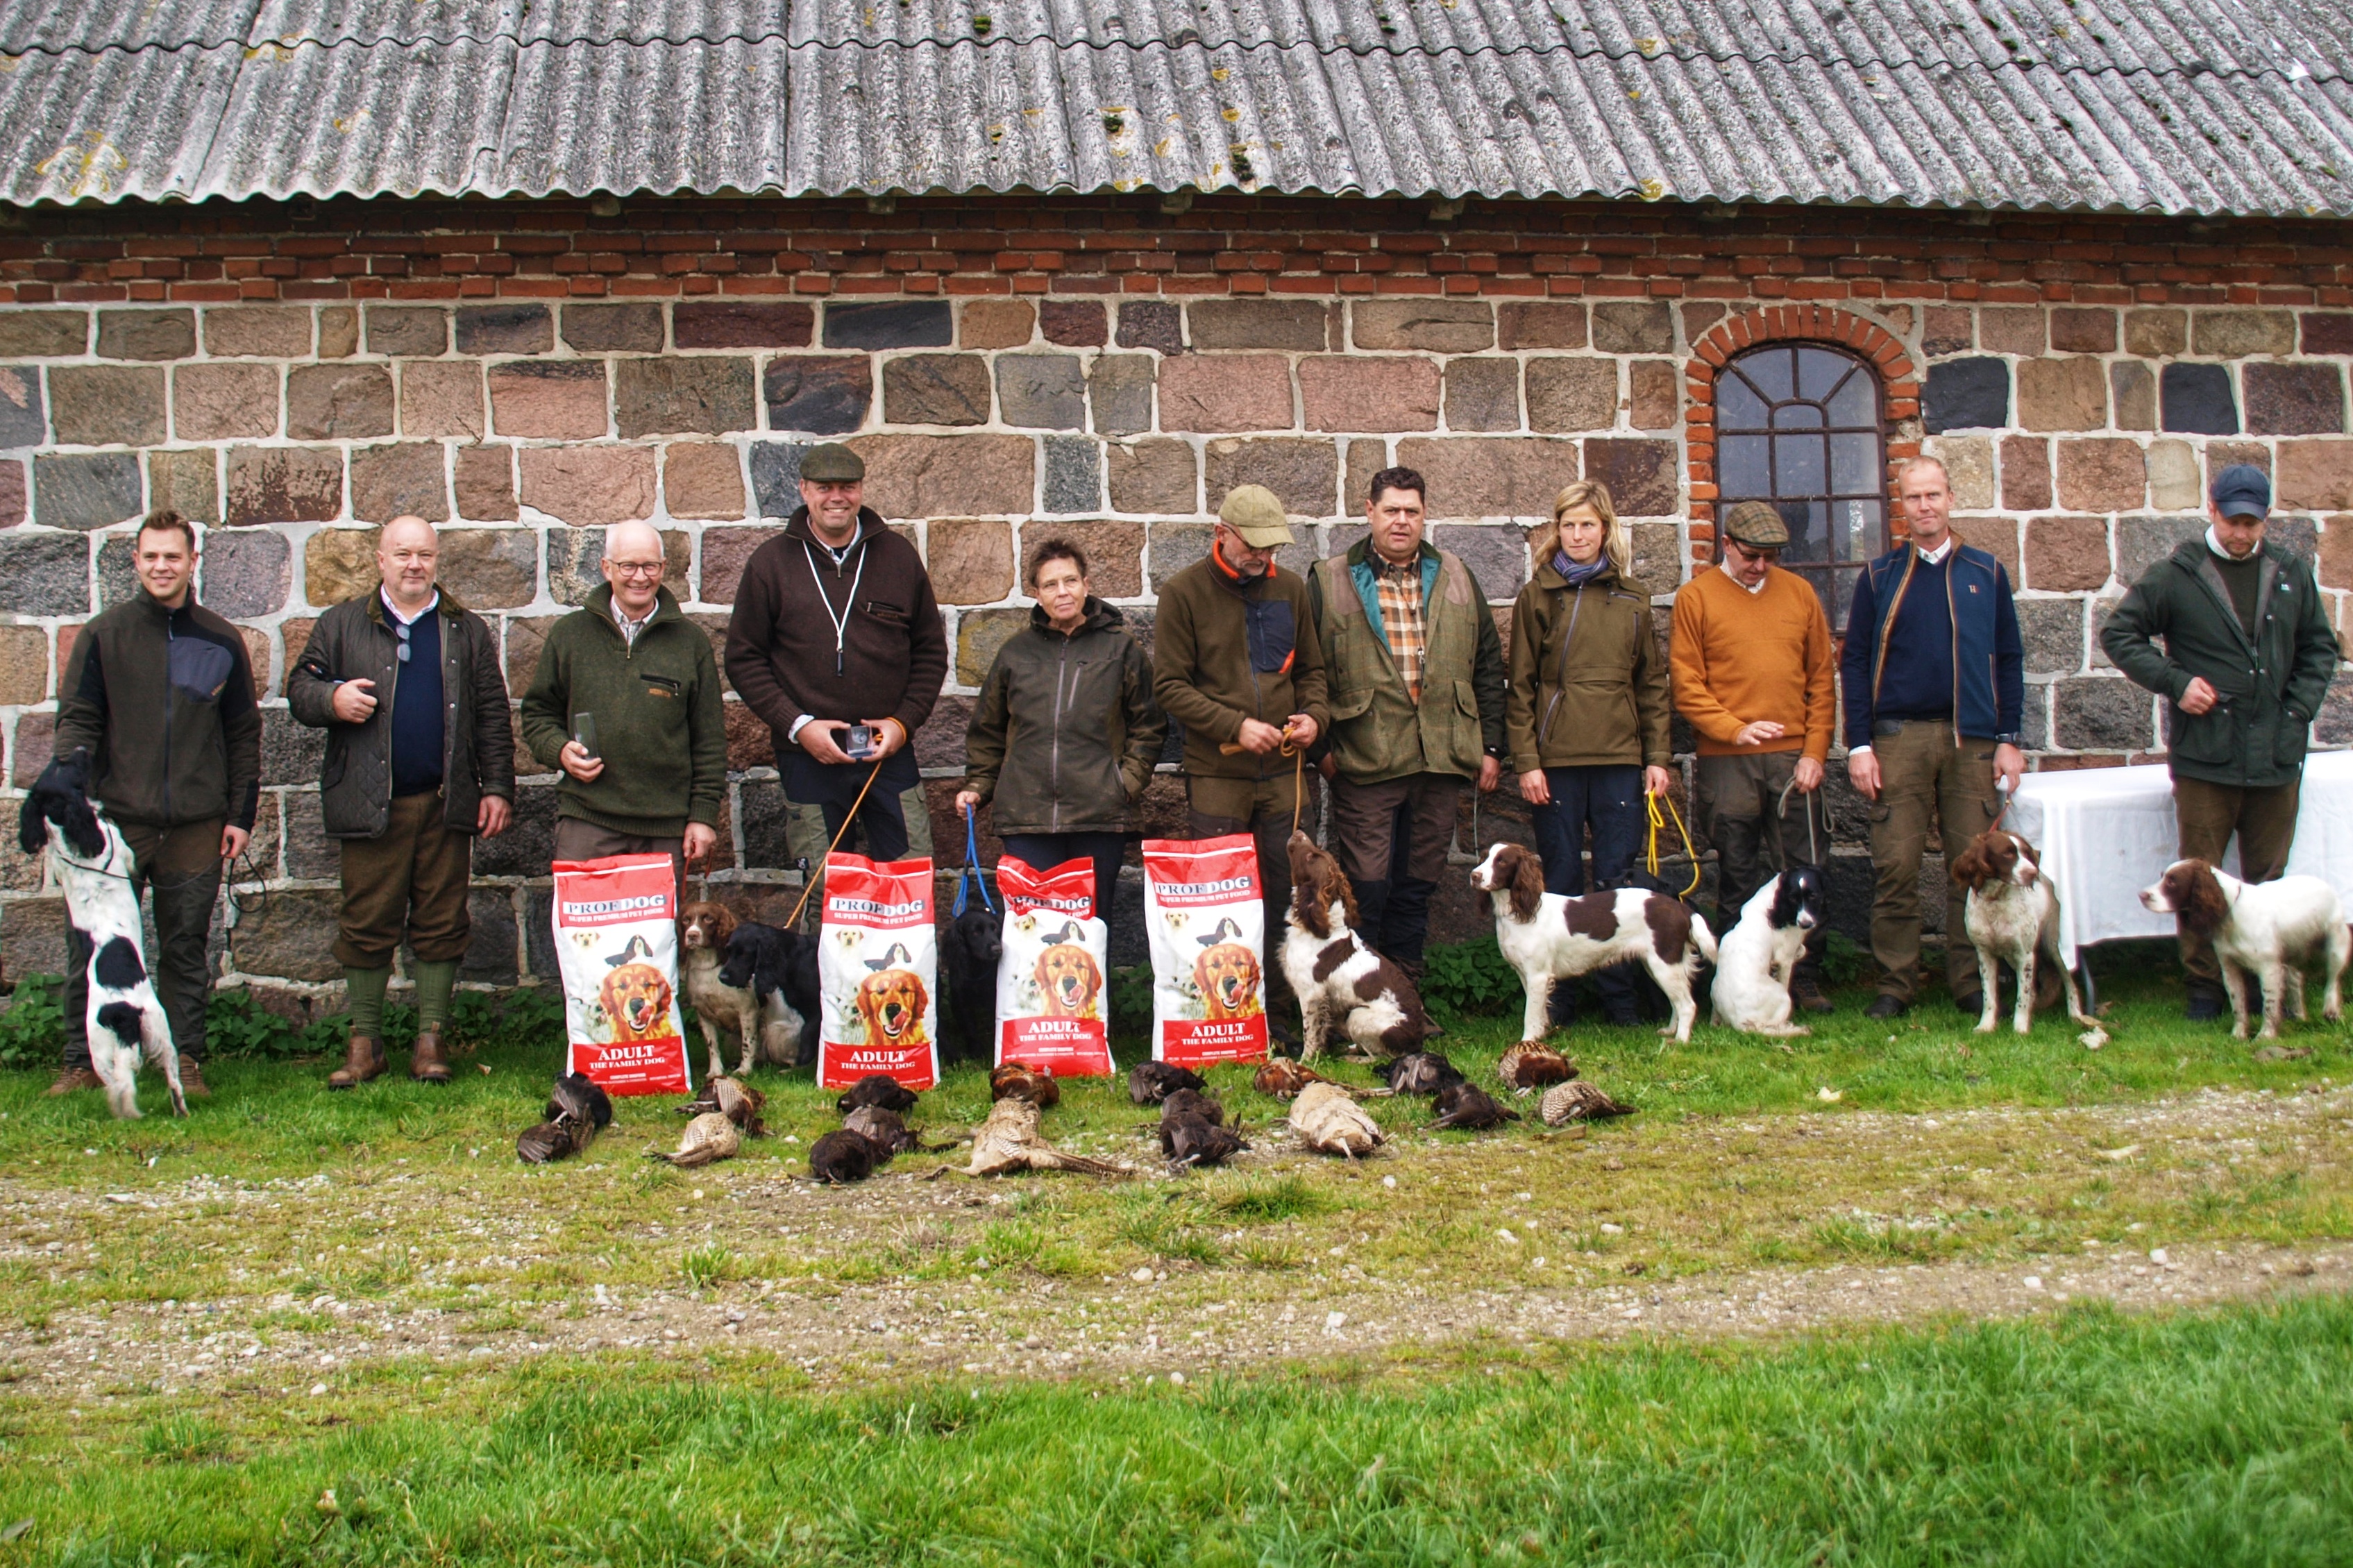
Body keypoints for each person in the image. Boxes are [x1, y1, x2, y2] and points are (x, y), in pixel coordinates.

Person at [2100, 464, 2341, 1021]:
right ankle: (2206, 987)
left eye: (2253, 524)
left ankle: (2266, 983)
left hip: (2276, 755)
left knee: (2269, 881)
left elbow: (2319, 649)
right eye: (2233, 520)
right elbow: (2119, 633)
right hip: (2206, 757)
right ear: (2212, 509)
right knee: (2197, 878)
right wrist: (2176, 683)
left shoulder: (2290, 573)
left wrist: (2299, 711)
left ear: (2265, 520)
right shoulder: (2176, 575)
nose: (2242, 533)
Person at [287, 516, 516, 1088]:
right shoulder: (341, 624)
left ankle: (431, 1041)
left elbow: (492, 711)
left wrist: (497, 787)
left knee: (442, 921)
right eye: (403, 554)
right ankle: (365, 1043)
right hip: (369, 804)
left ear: (437, 561)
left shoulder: (464, 629)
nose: (415, 564)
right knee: (367, 921)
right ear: (380, 560)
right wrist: (331, 697)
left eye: (425, 555)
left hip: (445, 801)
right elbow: (299, 689)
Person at [46, 510, 260, 1100]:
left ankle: (184, 1056)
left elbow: (242, 732)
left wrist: (240, 815)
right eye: (151, 556)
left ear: (193, 562)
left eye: (173, 556)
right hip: (116, 823)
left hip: (196, 824)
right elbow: (80, 719)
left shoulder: (220, 640)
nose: (162, 566)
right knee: (91, 944)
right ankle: (79, 1060)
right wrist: (70, 796)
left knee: (187, 946)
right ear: (136, 561)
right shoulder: (104, 635)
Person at [725, 443, 949, 915]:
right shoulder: (770, 564)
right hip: (809, 755)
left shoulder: (898, 557)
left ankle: (910, 986)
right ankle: (830, 991)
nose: (836, 497)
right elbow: (744, 658)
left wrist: (903, 723)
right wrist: (798, 725)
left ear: (861, 490)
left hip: (889, 753)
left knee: (910, 879)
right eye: (824, 487)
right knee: (827, 892)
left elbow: (930, 652)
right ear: (804, 490)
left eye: (847, 487)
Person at [1839, 455, 2025, 1020]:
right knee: (1895, 866)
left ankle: (1970, 981)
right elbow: (1855, 661)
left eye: (1934, 495)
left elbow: (2010, 658)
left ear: (1950, 497)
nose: (1925, 506)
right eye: (1914, 497)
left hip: (1972, 740)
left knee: (1972, 866)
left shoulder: (1986, 572)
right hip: (1899, 739)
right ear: (1902, 505)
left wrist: (2009, 736)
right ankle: (1896, 982)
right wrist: (1860, 743)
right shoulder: (1879, 577)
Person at [1307, 465, 1506, 981]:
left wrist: (1493, 747)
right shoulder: (1329, 578)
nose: (1401, 521)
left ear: (1424, 515)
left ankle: (1408, 994)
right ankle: (1364, 993)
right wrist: (1323, 753)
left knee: (1418, 884)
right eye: (1391, 509)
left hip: (1441, 755)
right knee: (1366, 885)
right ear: (1369, 511)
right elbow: (1307, 670)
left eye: (1412, 511)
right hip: (1364, 757)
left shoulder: (1458, 573)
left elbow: (1488, 663)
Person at [1152, 484, 1329, 1036]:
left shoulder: (1293, 590)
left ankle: (1285, 1019)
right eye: (1253, 546)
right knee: (1221, 902)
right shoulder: (1181, 594)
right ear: (1220, 534)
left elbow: (1314, 675)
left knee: (1288, 896)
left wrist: (1313, 717)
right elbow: (1170, 686)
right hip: (1217, 778)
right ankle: (1225, 1020)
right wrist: (1233, 725)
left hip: (1285, 777)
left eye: (1272, 548)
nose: (1264, 557)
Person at [1504, 479, 1673, 1026]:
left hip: (1620, 759)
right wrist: (1527, 761)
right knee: (1559, 880)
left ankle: (1622, 1001)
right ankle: (1559, 1002)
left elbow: (1651, 684)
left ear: (1606, 529)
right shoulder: (1538, 596)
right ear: (1557, 531)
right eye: (1568, 525)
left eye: (1588, 525)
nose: (1577, 535)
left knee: (1619, 880)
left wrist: (1657, 757)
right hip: (1556, 764)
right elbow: (1521, 686)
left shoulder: (1633, 597)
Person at [1669, 499, 1837, 1013]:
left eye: (1771, 556)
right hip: (1727, 758)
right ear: (1726, 545)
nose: (1761, 565)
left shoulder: (1800, 594)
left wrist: (1814, 752)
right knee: (1738, 869)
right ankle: (1737, 981)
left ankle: (1802, 978)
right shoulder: (1696, 598)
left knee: (1802, 867)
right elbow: (1687, 684)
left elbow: (1821, 679)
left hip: (1792, 760)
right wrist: (1733, 729)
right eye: (1751, 555)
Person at [956, 538, 1165, 945]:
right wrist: (978, 785)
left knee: (1091, 929)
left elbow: (1150, 725)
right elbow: (988, 730)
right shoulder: (1015, 653)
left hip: (1098, 814)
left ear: (1086, 584)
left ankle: (1094, 1012)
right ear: (1036, 593)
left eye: (1070, 580)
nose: (1062, 591)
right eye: (1050, 585)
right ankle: (1033, 1012)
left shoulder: (1121, 648)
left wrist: (1125, 784)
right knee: (1031, 933)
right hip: (1027, 817)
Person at [519, 521, 725, 898]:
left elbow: (709, 740)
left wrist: (703, 817)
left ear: (663, 569)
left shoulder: (690, 642)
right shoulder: (570, 635)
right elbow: (537, 714)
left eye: (649, 566)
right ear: (606, 568)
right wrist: (560, 750)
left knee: (657, 950)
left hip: (665, 830)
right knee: (587, 943)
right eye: (627, 566)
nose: (639, 577)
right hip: (588, 821)